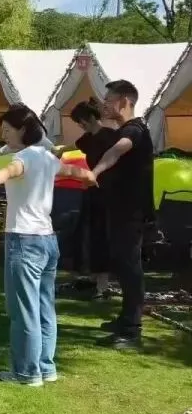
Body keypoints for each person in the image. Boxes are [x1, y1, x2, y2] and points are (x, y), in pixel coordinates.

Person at [0, 105, 96, 386]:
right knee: (44, 307)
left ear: (24, 130)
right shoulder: (47, 157)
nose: (4, 135)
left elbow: (11, 170)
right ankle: (45, 368)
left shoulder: (25, 157)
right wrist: (89, 177)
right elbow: (71, 171)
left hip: (24, 241)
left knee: (24, 311)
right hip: (47, 241)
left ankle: (27, 373)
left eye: (8, 130)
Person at [89, 80, 154, 350]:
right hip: (119, 209)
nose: (104, 104)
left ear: (125, 101)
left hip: (131, 212)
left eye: (109, 99)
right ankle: (125, 319)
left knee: (130, 268)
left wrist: (95, 172)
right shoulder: (123, 129)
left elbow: (116, 151)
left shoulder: (134, 130)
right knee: (123, 265)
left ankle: (132, 330)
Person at [70, 99, 118, 298]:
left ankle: (103, 284)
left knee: (102, 236)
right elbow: (72, 146)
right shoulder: (87, 138)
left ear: (90, 118)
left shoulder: (111, 137)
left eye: (80, 121)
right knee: (87, 234)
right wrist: (56, 151)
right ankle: (92, 276)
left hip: (108, 193)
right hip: (91, 191)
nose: (80, 125)